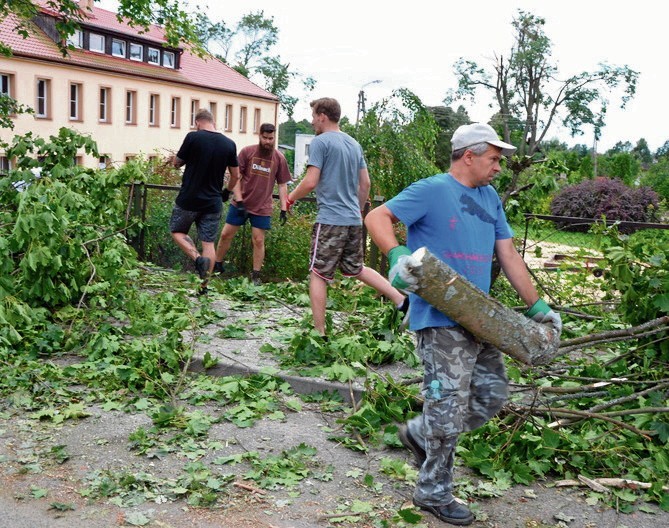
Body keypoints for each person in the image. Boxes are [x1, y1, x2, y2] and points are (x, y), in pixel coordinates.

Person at [364, 122, 562, 526]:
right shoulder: (433, 190)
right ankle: (433, 492)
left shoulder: (489, 198)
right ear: (468, 155)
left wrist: (538, 306)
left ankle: (421, 433)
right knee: (448, 408)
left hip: (479, 315)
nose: (498, 167)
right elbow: (376, 217)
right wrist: (397, 252)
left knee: (489, 395)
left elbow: (508, 255)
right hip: (439, 318)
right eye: (493, 159)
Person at [286, 97, 407, 336]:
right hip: (352, 219)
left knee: (318, 274)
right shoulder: (353, 144)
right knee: (355, 268)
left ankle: (319, 334)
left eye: (313, 117)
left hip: (330, 219)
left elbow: (310, 182)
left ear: (322, 115)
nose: (312, 122)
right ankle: (401, 300)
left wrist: (290, 198)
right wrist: (356, 210)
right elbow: (366, 184)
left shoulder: (321, 143)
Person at [169, 108, 239, 293]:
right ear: (213, 121)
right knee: (208, 242)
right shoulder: (229, 144)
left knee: (177, 231)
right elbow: (235, 175)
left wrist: (174, 162)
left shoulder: (193, 137)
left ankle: (197, 259)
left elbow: (177, 162)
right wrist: (227, 192)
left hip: (189, 199)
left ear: (197, 122)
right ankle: (204, 286)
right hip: (213, 202)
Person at [213, 123, 291, 285]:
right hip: (240, 203)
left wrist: (284, 207)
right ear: (259, 136)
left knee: (258, 240)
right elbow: (236, 177)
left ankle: (256, 274)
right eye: (265, 138)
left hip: (262, 207)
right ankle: (217, 265)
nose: (268, 141)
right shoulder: (247, 152)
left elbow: (282, 184)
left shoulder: (279, 158)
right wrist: (239, 200)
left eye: (271, 138)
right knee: (226, 234)